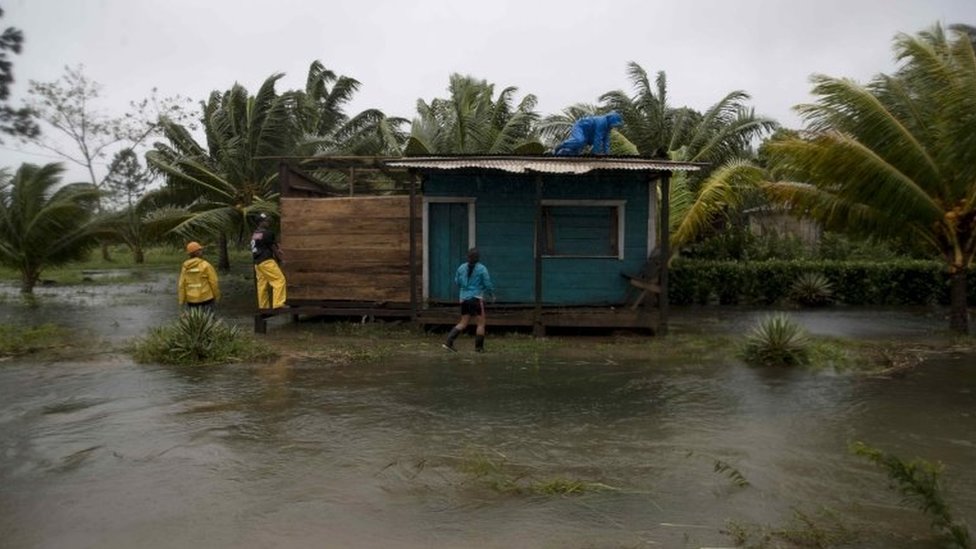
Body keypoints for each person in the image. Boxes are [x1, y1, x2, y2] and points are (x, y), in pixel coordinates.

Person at [443, 248, 495, 353]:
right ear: (478, 258)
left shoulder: (461, 267)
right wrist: (491, 294)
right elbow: (487, 283)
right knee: (480, 324)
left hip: (464, 299)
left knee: (463, 322)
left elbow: (457, 281)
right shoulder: (482, 269)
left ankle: (448, 342)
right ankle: (479, 348)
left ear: (468, 257)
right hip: (476, 298)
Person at [251, 213, 287, 309]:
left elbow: (269, 243)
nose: (268, 222)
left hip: (258, 263)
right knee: (279, 280)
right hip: (266, 261)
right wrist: (280, 260)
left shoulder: (255, 234)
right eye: (266, 221)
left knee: (262, 285)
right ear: (260, 223)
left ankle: (263, 307)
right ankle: (278, 304)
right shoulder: (267, 233)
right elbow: (273, 247)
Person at [553, 111, 623, 156]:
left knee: (573, 153)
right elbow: (597, 139)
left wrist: (607, 154)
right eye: (614, 124)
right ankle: (560, 146)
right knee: (579, 141)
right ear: (610, 119)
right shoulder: (601, 121)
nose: (614, 126)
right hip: (580, 127)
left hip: (588, 135)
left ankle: (560, 153)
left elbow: (606, 141)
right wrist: (596, 154)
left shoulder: (608, 128)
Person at [177, 241, 220, 312]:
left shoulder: (185, 267)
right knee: (209, 321)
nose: (202, 251)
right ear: (197, 252)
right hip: (207, 299)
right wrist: (216, 296)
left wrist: (181, 301)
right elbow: (214, 282)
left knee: (195, 322)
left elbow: (181, 285)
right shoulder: (206, 265)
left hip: (191, 301)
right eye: (200, 250)